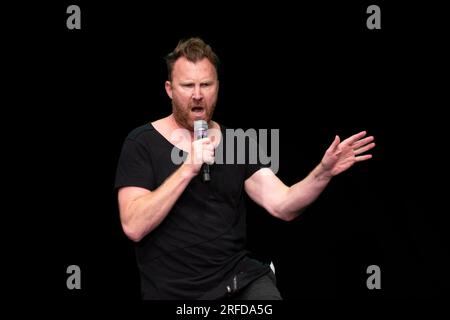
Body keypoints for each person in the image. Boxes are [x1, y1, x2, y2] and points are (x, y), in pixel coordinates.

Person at [115, 37, 375, 300]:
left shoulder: (237, 142)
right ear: (170, 89)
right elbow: (134, 225)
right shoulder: (142, 142)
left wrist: (323, 171)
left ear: (217, 87)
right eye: (188, 86)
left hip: (238, 282)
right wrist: (187, 168)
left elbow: (283, 205)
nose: (197, 94)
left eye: (206, 84)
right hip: (174, 293)